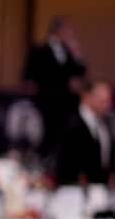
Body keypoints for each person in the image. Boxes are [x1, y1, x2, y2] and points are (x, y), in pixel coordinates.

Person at [23, 16, 87, 153]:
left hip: (66, 103)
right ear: (59, 31)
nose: (70, 34)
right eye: (67, 30)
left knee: (65, 137)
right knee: (47, 137)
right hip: (47, 101)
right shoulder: (40, 50)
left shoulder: (68, 51)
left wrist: (77, 55)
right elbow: (28, 75)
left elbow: (80, 72)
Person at [55, 79, 114, 186]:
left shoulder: (104, 124)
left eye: (108, 101)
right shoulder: (71, 124)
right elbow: (65, 161)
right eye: (103, 101)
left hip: (101, 188)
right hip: (74, 189)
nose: (107, 105)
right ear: (87, 97)